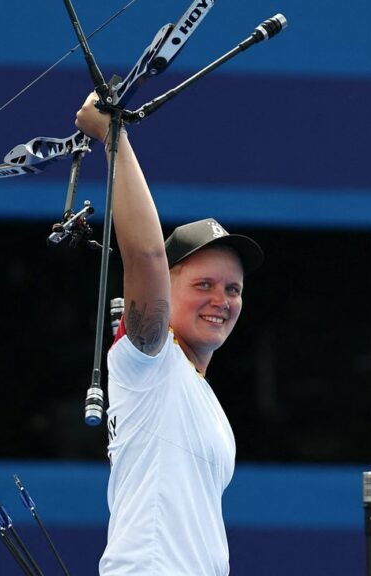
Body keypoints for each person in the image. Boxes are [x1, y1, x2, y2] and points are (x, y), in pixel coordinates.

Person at [75, 93, 264, 575]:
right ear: (166, 287)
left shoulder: (196, 393)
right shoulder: (149, 361)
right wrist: (113, 137)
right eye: (204, 284)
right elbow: (146, 257)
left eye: (233, 289)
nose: (222, 300)